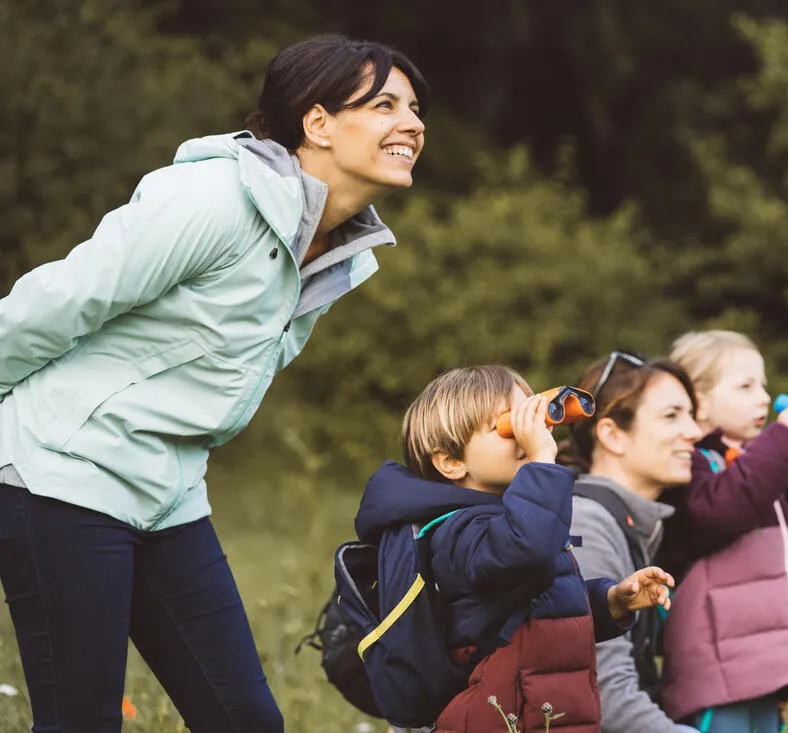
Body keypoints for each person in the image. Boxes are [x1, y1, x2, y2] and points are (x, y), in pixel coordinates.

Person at [0, 35, 427, 733]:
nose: (411, 122)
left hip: (168, 492)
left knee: (245, 720)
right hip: (63, 472)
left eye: (414, 107)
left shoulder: (333, 250)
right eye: (384, 104)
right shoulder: (217, 196)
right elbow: (63, 299)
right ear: (317, 123)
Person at [354, 366, 675, 732]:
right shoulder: (455, 531)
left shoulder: (521, 520)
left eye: (531, 416)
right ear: (451, 461)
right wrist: (541, 460)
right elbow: (525, 554)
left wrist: (609, 601)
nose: (529, 432)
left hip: (546, 714)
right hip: (501, 719)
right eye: (508, 426)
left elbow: (538, 607)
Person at [659, 330, 788, 733]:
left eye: (764, 385)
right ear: (697, 402)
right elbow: (718, 512)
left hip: (765, 662)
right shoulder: (692, 464)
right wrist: (783, 441)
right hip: (716, 671)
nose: (764, 398)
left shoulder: (757, 466)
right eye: (746, 386)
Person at [564, 351, 705, 733]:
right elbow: (604, 696)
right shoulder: (587, 522)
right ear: (611, 434)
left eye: (692, 415)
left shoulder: (630, 522)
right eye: (671, 415)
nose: (694, 431)